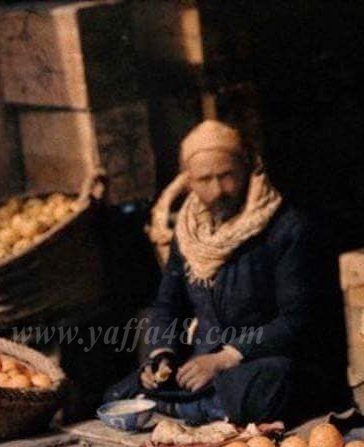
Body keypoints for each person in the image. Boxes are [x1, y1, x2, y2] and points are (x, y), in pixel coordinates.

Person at [105, 120, 349, 427]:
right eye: (205, 179)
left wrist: (224, 359)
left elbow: (296, 320)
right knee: (123, 390)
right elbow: (168, 304)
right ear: (189, 181)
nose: (218, 190)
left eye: (227, 176)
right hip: (204, 362)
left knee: (266, 385)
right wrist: (161, 356)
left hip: (264, 359)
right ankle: (195, 405)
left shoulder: (287, 228)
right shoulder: (189, 232)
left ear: (247, 168)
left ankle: (185, 407)